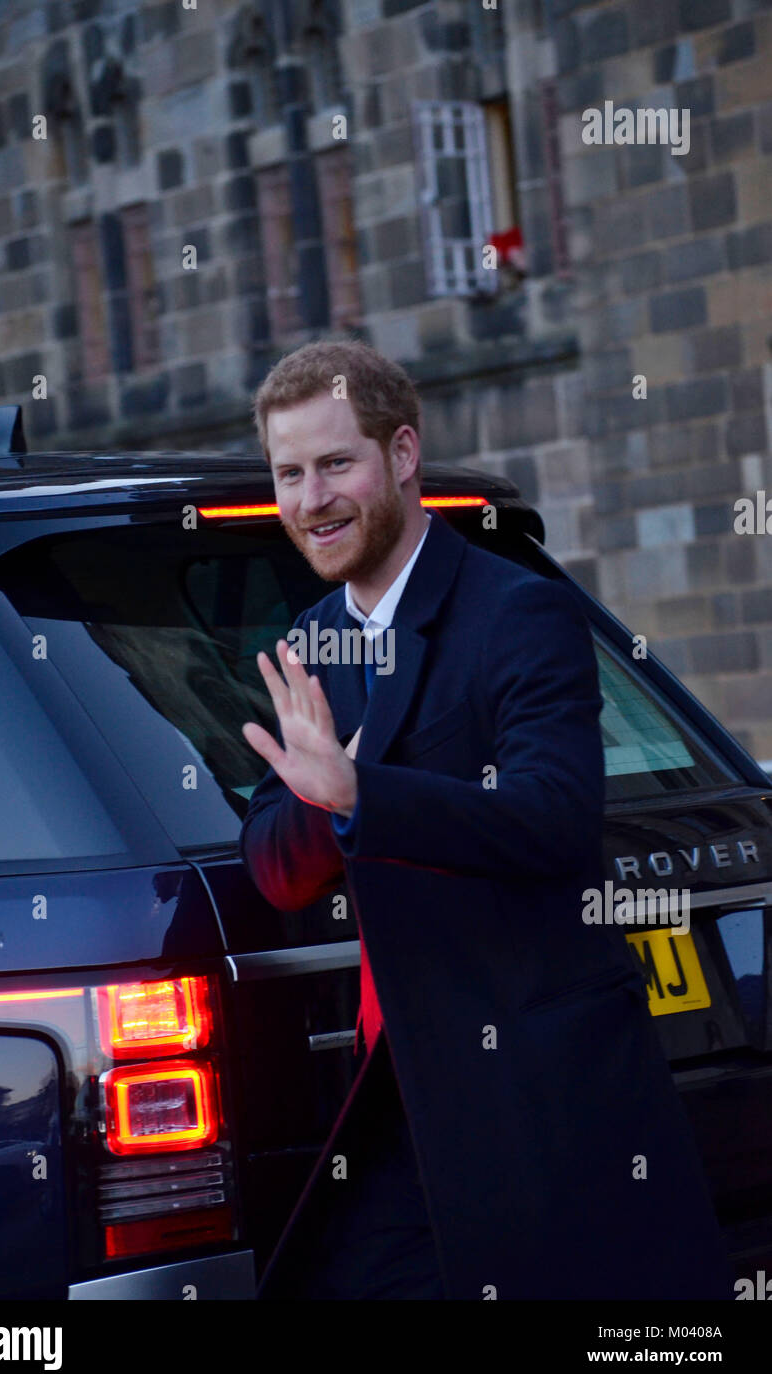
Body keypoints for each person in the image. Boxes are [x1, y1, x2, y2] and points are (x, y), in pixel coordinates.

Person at [239, 338, 734, 1301]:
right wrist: (315, 801)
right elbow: (274, 867)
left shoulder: (517, 611)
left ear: (403, 454)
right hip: (400, 1097)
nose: (310, 499)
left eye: (336, 463)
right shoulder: (305, 648)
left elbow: (553, 818)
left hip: (538, 1091)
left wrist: (358, 792)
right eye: (288, 473)